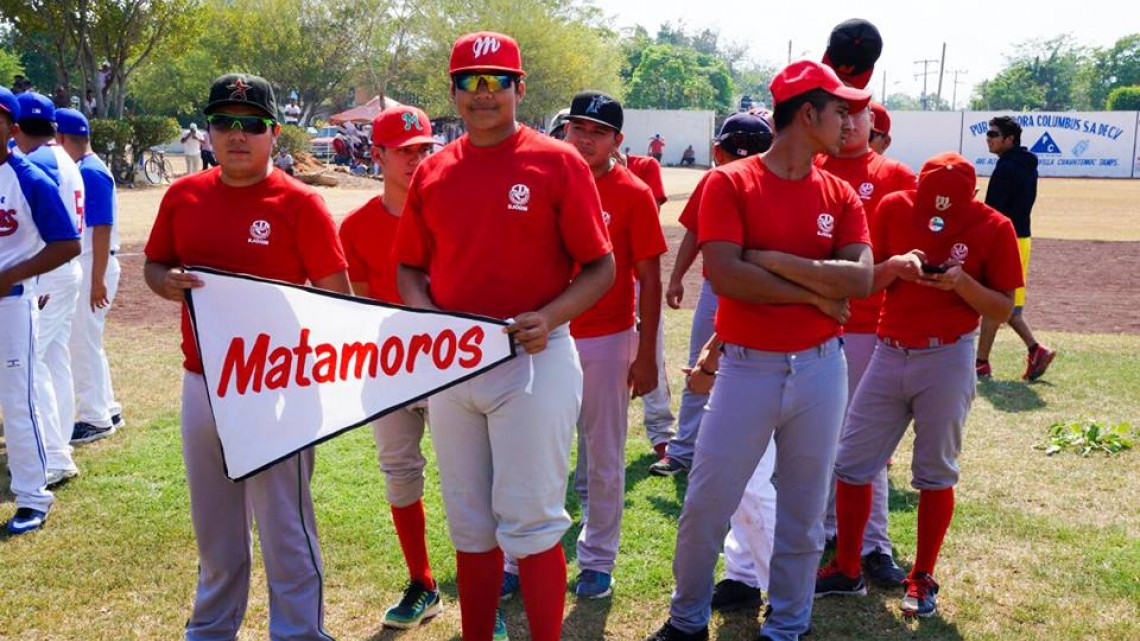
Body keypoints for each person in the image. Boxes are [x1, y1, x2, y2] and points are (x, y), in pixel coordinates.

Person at [395, 31, 614, 641]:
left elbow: (601, 266)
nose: (483, 93)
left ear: (520, 88)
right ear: (453, 92)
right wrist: (430, 318)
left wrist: (553, 315)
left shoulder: (558, 161)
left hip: (532, 357)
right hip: (456, 362)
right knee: (469, 526)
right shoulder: (434, 169)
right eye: (470, 81)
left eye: (497, 81)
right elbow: (409, 267)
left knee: (533, 523)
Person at [645, 60, 873, 641]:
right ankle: (687, 621)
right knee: (706, 503)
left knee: (803, 511)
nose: (850, 122)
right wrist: (816, 291)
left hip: (821, 367)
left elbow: (860, 278)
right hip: (746, 367)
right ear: (808, 114)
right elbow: (727, 276)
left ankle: (788, 626)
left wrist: (772, 260)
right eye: (840, 110)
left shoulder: (840, 192)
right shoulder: (731, 182)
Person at [143, 73, 348, 641]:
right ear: (208, 131)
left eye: (252, 125)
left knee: (285, 528)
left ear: (274, 134)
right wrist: (166, 283)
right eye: (224, 122)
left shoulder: (300, 202)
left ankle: (298, 633)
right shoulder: (183, 195)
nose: (237, 135)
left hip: (274, 387)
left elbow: (338, 299)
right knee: (215, 528)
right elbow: (155, 264)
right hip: (202, 381)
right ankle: (210, 629)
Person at [816, 152, 1023, 619]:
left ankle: (923, 576)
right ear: (917, 189)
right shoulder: (894, 207)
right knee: (851, 462)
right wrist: (896, 266)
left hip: (947, 355)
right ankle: (847, 568)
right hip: (889, 349)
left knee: (935, 471)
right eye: (930, 203)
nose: (937, 216)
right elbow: (866, 281)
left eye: (949, 207)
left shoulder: (995, 226)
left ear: (973, 195)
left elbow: (1002, 309)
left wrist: (961, 283)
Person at [338, 105, 443, 630]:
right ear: (376, 154)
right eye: (404, 151)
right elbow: (358, 306)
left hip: (449, 362)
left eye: (423, 148)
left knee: (471, 478)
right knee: (400, 474)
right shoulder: (356, 226)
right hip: (389, 365)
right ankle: (422, 582)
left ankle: (487, 587)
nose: (416, 159)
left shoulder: (454, 214)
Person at [560, 90, 666, 597]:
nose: (586, 139)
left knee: (603, 456)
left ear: (617, 140)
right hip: (547, 337)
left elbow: (650, 278)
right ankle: (517, 556)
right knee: (537, 452)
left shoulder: (633, 192)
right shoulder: (546, 179)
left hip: (606, 337)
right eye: (578, 128)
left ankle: (598, 559)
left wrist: (645, 354)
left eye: (598, 132)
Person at [651, 111, 774, 478]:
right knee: (700, 365)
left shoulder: (777, 183)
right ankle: (685, 449)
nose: (736, 161)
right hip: (720, 289)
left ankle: (749, 452)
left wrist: (677, 278)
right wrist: (676, 278)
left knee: (755, 370)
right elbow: (694, 230)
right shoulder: (715, 181)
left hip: (759, 293)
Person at [0, 87, 81, 534]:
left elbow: (67, 243)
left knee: (19, 400)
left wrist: (14, 275)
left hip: (12, 303)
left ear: (11, 129)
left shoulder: (28, 177)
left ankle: (32, 497)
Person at [13, 92, 87, 485]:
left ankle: (54, 455)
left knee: (30, 363)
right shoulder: (62, 157)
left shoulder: (34, 162)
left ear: (16, 128)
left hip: (47, 271)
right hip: (64, 271)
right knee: (54, 357)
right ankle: (59, 446)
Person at [55, 109, 126, 447]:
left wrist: (97, 279)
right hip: (93, 263)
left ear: (61, 138)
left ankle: (95, 418)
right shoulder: (87, 167)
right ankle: (107, 409)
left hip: (94, 263)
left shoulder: (89, 171)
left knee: (82, 344)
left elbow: (102, 228)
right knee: (88, 343)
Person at [975, 115, 1055, 381]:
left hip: (1005, 239)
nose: (989, 139)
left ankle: (981, 363)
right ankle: (1036, 350)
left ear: (1009, 139)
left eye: (994, 134)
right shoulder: (1025, 164)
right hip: (1022, 237)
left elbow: (993, 212)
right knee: (1009, 303)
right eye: (988, 134)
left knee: (995, 301)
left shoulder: (1006, 168)